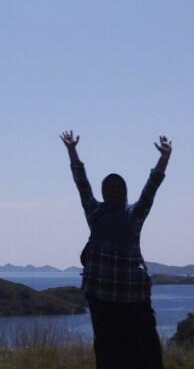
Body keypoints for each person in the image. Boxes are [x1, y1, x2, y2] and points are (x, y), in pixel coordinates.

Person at [61, 130, 171, 369]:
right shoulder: (133, 214)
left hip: (102, 295)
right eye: (114, 187)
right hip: (133, 296)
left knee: (109, 351)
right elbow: (151, 188)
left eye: (114, 187)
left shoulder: (96, 212)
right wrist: (164, 158)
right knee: (145, 352)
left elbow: (82, 184)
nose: (114, 190)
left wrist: (72, 151)